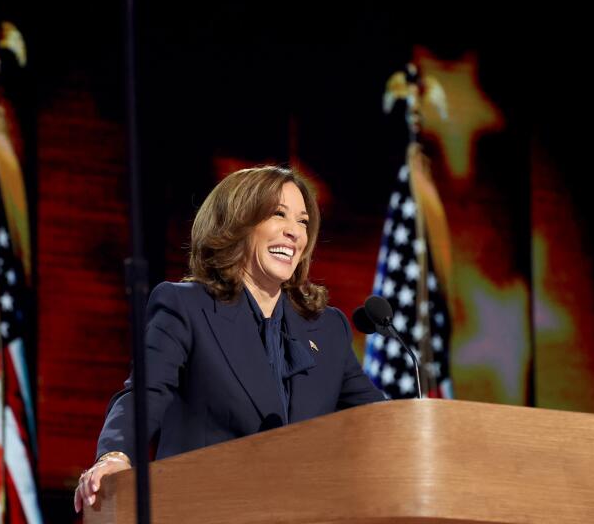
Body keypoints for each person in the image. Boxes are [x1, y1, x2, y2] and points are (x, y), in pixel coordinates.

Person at [74, 165, 384, 512]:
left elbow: (378, 421)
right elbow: (145, 393)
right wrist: (115, 455)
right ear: (236, 223)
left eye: (303, 221)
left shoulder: (327, 328)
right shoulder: (187, 307)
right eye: (278, 215)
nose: (294, 233)